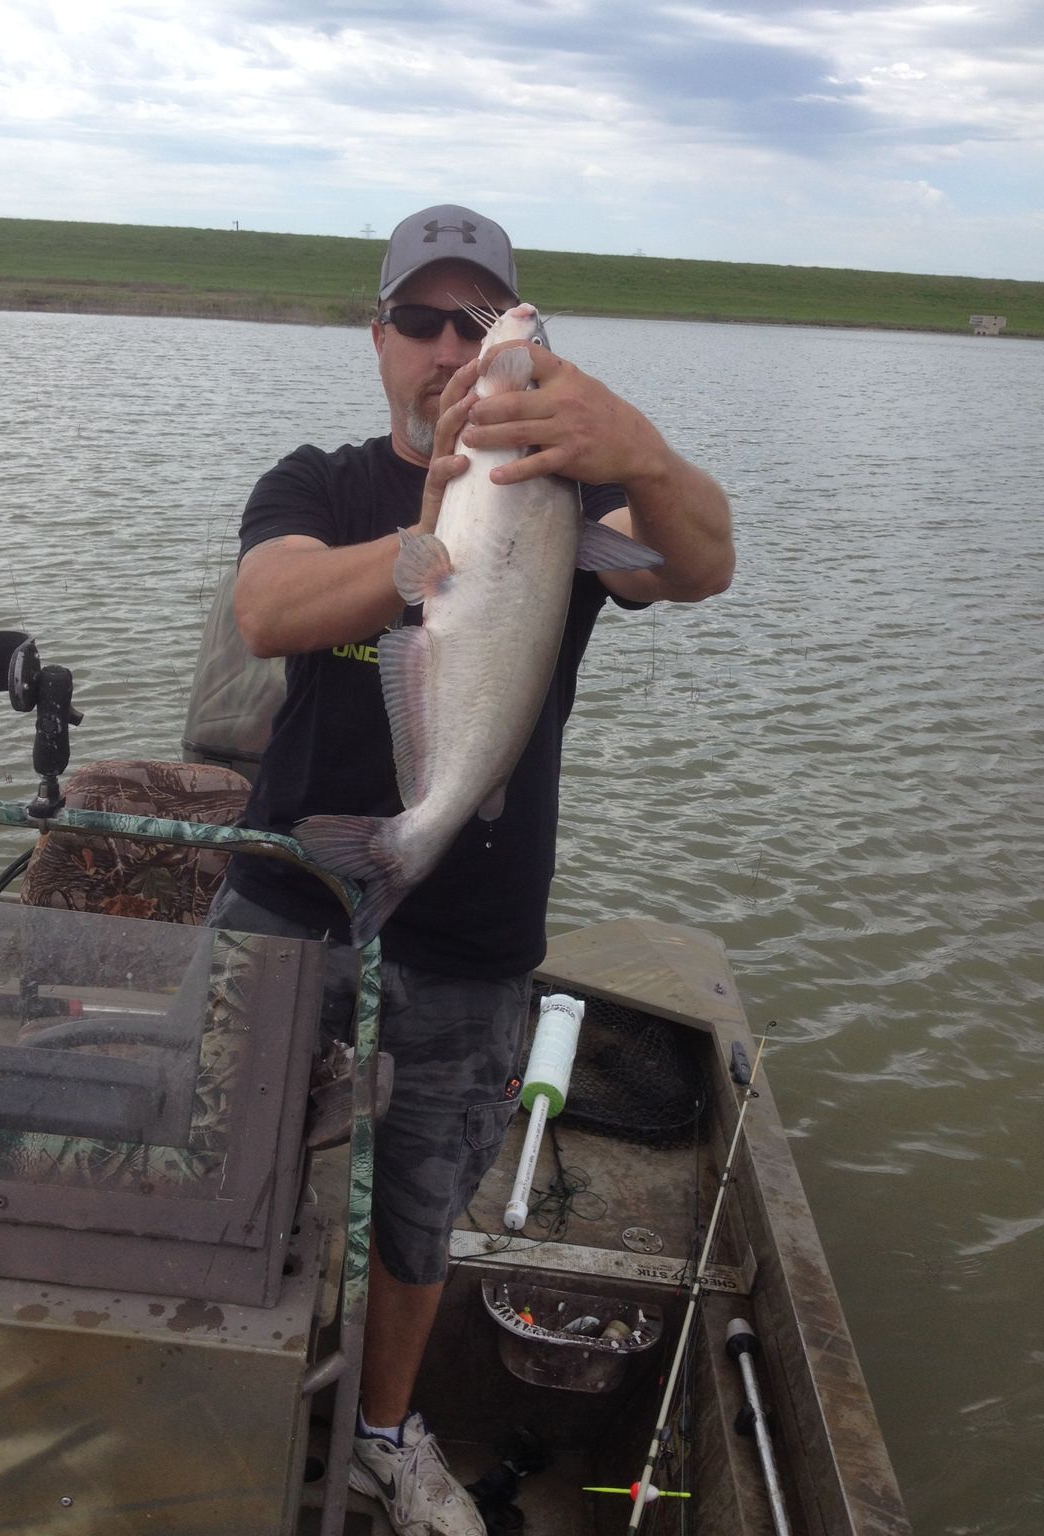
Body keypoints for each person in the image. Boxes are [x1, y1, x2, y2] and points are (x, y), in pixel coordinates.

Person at [207, 204, 733, 1536]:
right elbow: (267, 609)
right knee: (224, 1159)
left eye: (477, 322)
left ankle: (382, 1435)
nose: (449, 347)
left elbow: (703, 564)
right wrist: (425, 534)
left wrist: (642, 451)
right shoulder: (319, 481)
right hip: (283, 899)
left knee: (421, 1214)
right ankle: (212, 1387)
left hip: (472, 931)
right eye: (421, 320)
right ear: (378, 336)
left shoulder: (576, 492)